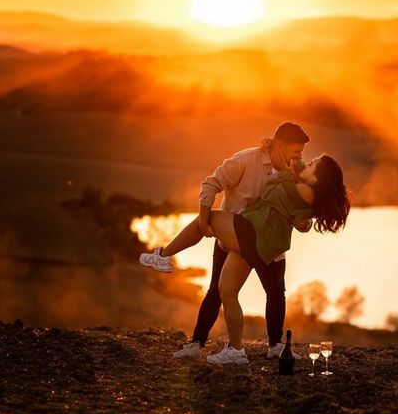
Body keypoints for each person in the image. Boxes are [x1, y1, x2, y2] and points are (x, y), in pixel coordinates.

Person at [140, 153, 350, 365]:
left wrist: (286, 171)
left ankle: (163, 256)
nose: (308, 162)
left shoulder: (303, 190)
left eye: (312, 164)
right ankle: (236, 351)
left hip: (253, 233)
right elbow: (298, 215)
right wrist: (297, 169)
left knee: (207, 218)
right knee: (227, 290)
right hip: (261, 240)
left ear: (316, 178)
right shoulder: (309, 190)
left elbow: (270, 192)